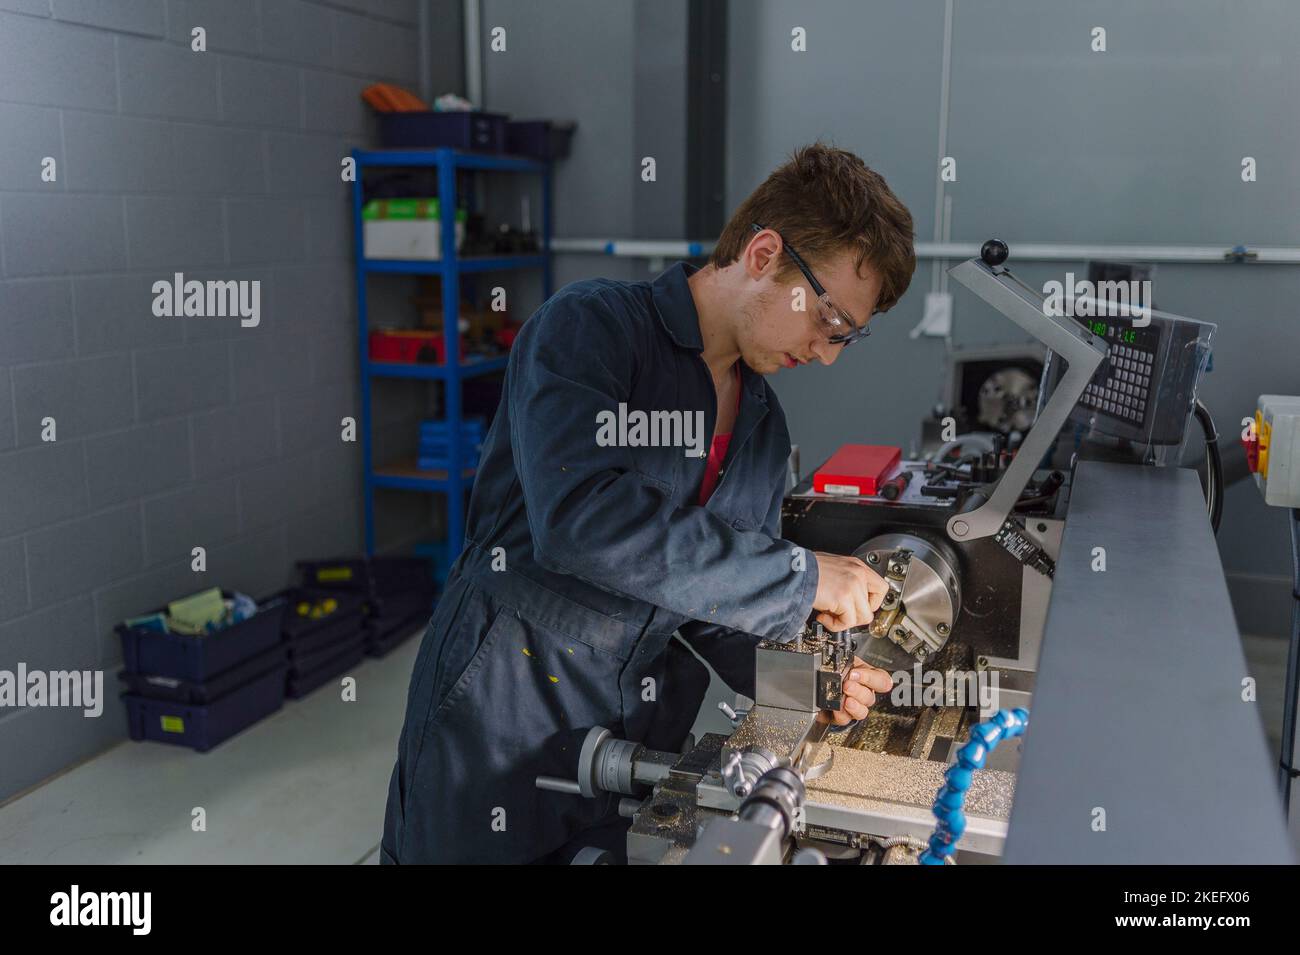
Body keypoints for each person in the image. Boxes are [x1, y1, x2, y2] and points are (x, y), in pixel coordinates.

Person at [381, 143, 917, 864]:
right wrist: (803, 575)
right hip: (503, 711)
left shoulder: (761, 424)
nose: (828, 354)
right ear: (763, 254)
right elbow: (581, 521)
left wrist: (806, 674)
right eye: (829, 320)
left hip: (637, 742)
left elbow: (716, 609)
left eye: (849, 336)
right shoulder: (591, 331)